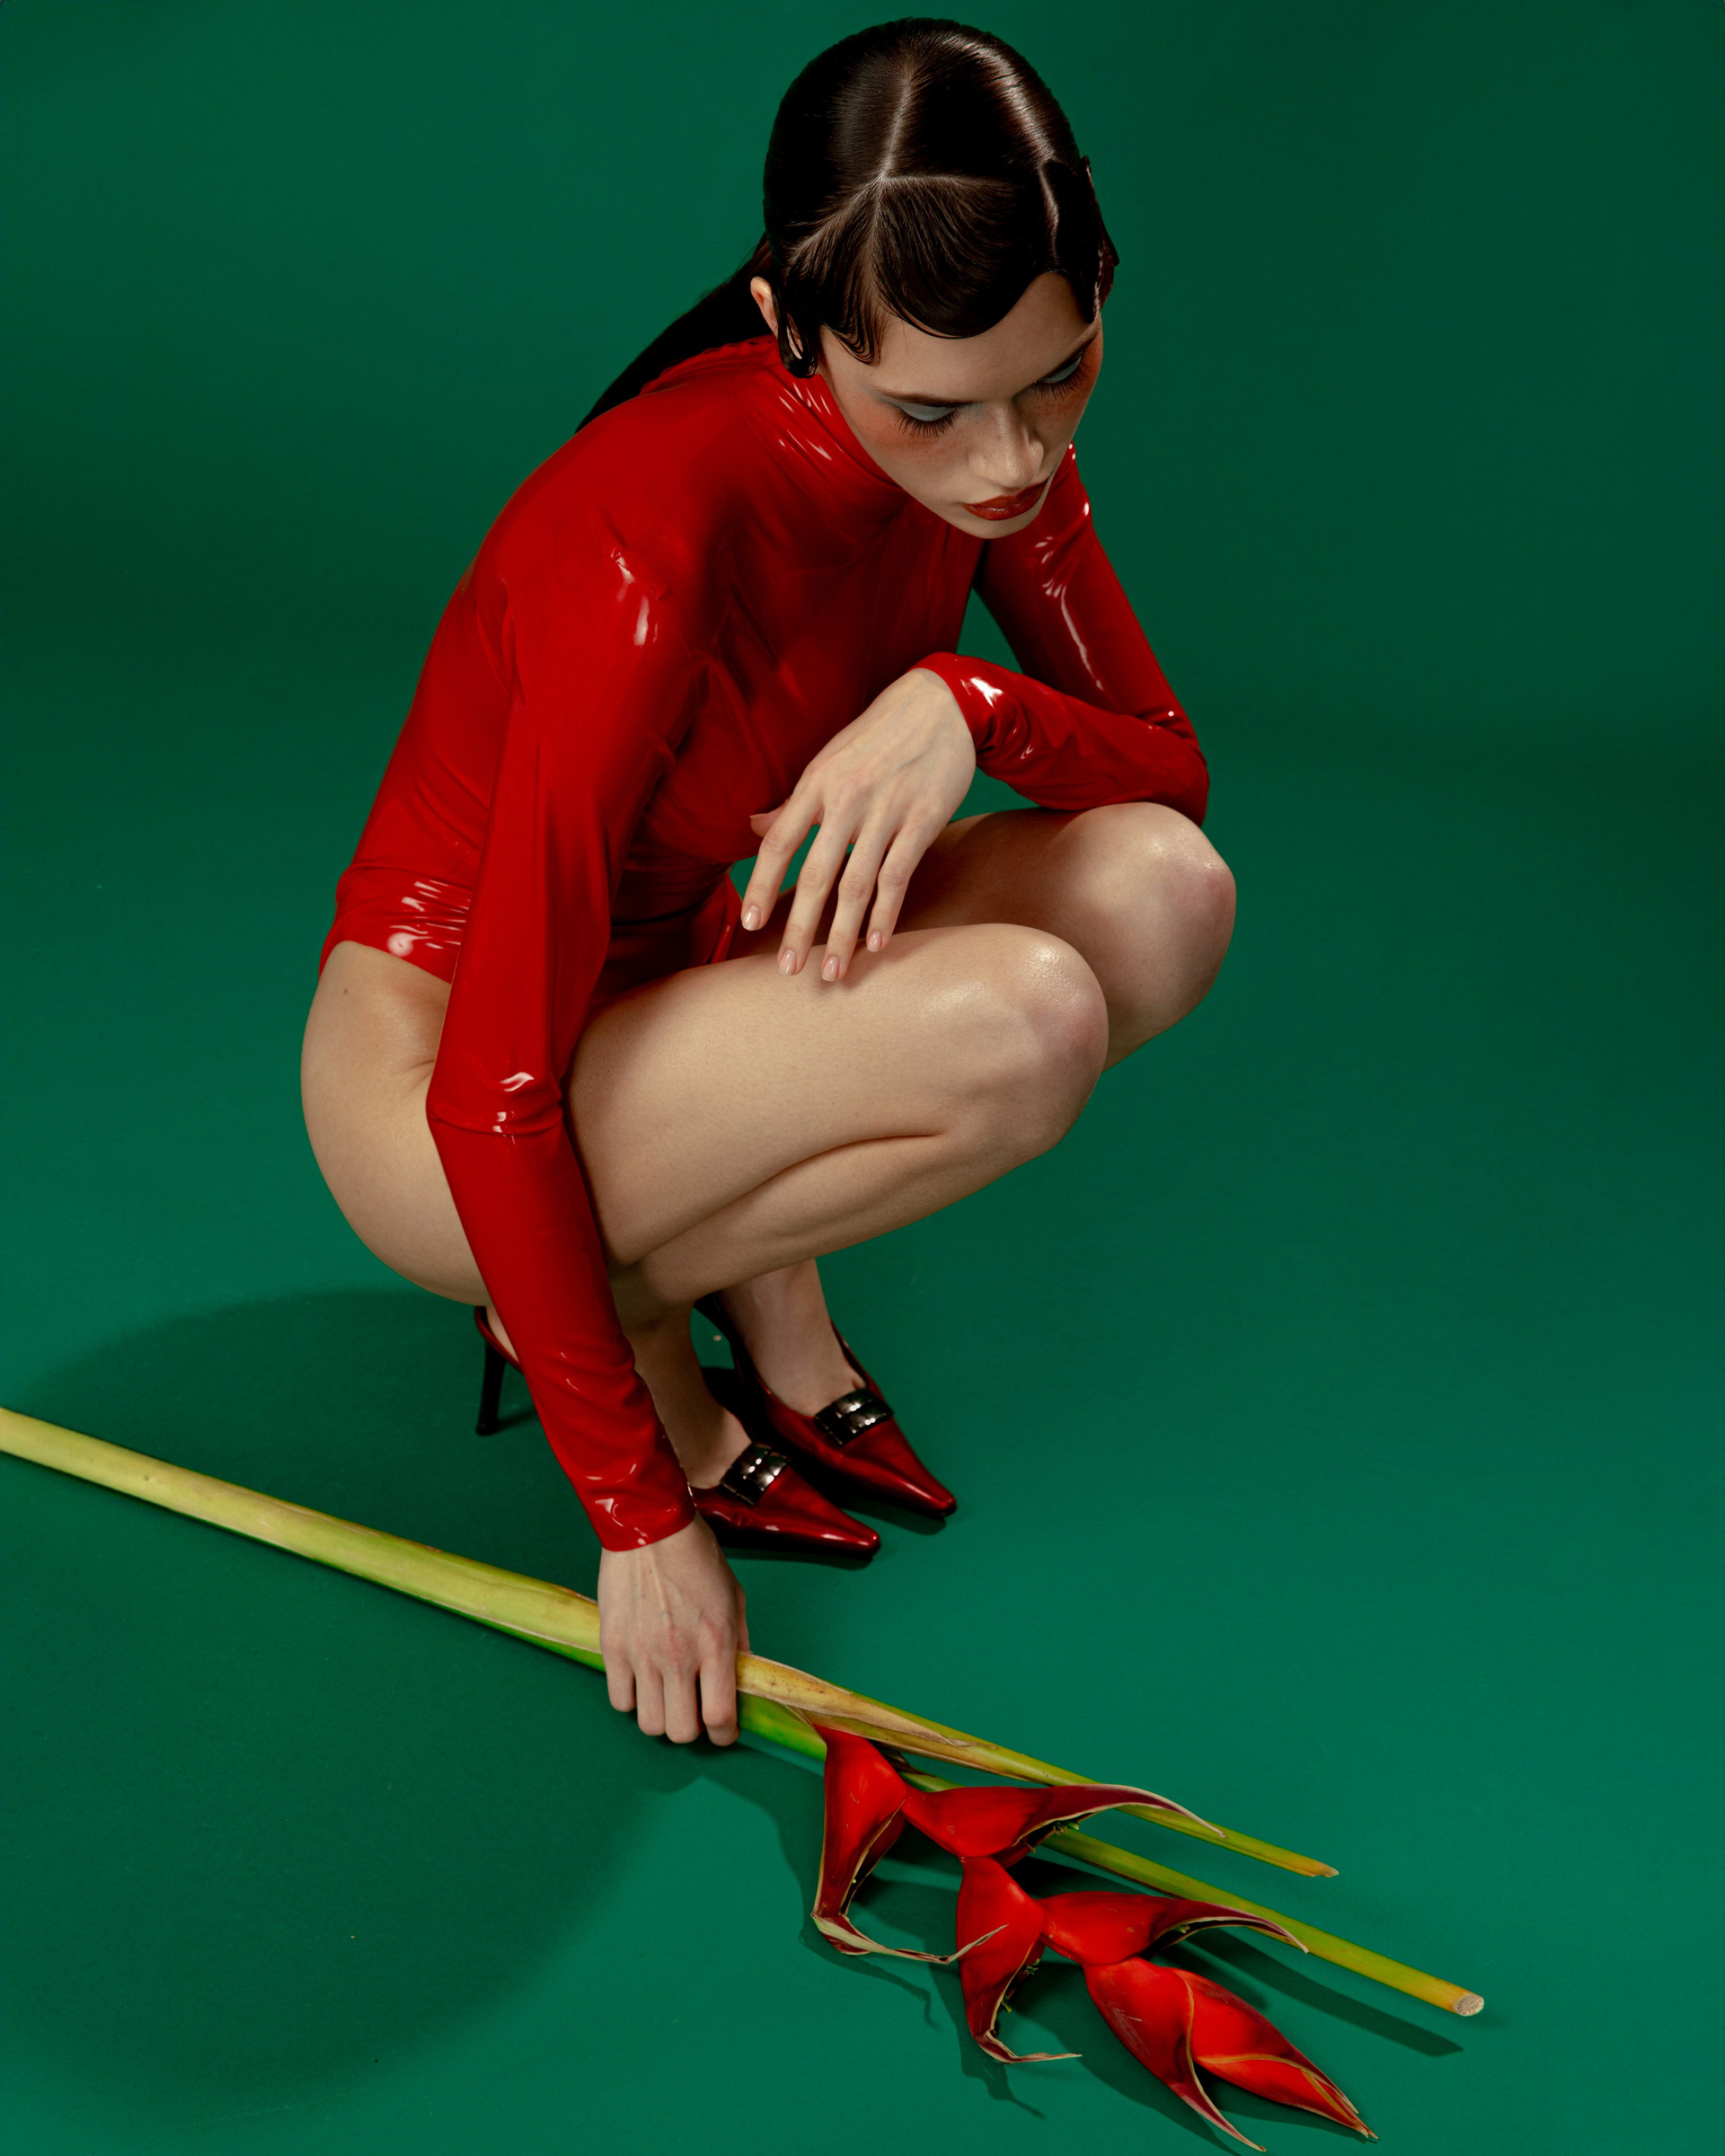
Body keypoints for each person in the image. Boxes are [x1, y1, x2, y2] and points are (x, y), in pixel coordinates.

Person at [300, 20, 1234, 1754]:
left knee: (1163, 897)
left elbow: (1167, 781)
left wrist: (969, 705)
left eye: (1062, 376)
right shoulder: (645, 543)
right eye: (930, 411)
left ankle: (718, 1270)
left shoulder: (999, 449)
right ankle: (634, 1311)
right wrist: (637, 1518)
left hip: (687, 987)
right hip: (441, 1087)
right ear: (791, 324)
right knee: (1027, 1021)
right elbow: (496, 1081)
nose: (1008, 462)